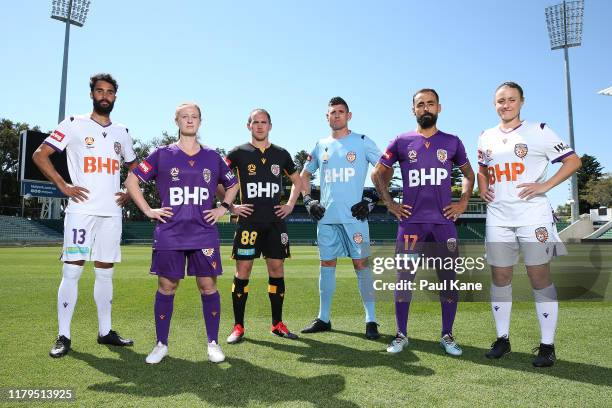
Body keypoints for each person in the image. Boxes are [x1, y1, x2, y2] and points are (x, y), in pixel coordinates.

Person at [125, 102, 239, 364]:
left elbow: (232, 184)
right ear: (176, 121)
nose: (190, 120)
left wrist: (223, 208)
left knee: (208, 285)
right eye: (184, 117)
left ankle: (213, 343)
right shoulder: (161, 154)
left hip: (204, 232)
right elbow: (132, 181)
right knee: (167, 286)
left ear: (201, 121)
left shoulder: (213, 156)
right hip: (170, 233)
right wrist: (148, 210)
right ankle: (161, 344)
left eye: (194, 117)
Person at [477, 82, 581, 367]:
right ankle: (502, 339)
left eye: (511, 100)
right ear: (494, 103)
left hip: (533, 216)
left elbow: (573, 161)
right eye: (500, 100)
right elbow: (483, 169)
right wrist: (483, 187)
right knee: (500, 278)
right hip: (498, 216)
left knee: (539, 278)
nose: (505, 105)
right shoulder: (485, 136)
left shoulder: (540, 131)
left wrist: (544, 185)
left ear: (521, 101)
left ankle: (547, 346)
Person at [32, 73, 136, 358]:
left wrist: (130, 191)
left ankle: (105, 332)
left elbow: (136, 168)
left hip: (111, 213)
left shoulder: (122, 132)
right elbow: (40, 154)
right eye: (100, 91)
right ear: (92, 94)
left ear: (115, 96)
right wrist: (63, 185)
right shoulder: (74, 124)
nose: (105, 96)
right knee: (72, 271)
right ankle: (63, 335)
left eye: (110, 92)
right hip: (81, 211)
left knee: (105, 273)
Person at [371, 88, 475, 356]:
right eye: (420, 105)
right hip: (412, 224)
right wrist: (389, 203)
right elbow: (377, 174)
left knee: (448, 281)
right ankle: (401, 335)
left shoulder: (452, 142)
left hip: (443, 224)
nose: (425, 108)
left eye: (430, 104)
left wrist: (463, 202)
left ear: (439, 108)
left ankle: (447, 335)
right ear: (413, 110)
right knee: (404, 280)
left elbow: (469, 174)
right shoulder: (401, 141)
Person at [299, 97, 381, 340]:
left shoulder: (362, 142)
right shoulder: (320, 145)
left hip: (354, 217)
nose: (336, 116)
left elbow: (385, 169)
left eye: (340, 112)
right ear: (327, 117)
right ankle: (323, 318)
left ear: (349, 115)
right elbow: (304, 175)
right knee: (327, 265)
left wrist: (372, 199)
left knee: (361, 265)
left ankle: (371, 320)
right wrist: (308, 200)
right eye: (332, 113)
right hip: (326, 218)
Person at [223, 108, 303, 343]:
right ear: (248, 125)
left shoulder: (281, 154)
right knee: (243, 272)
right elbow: (220, 179)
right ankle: (238, 326)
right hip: (248, 222)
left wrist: (289, 205)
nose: (259, 126)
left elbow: (297, 181)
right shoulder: (237, 153)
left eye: (263, 122)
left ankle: (277, 324)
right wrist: (231, 207)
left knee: (277, 271)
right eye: (255, 122)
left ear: (270, 126)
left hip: (275, 223)